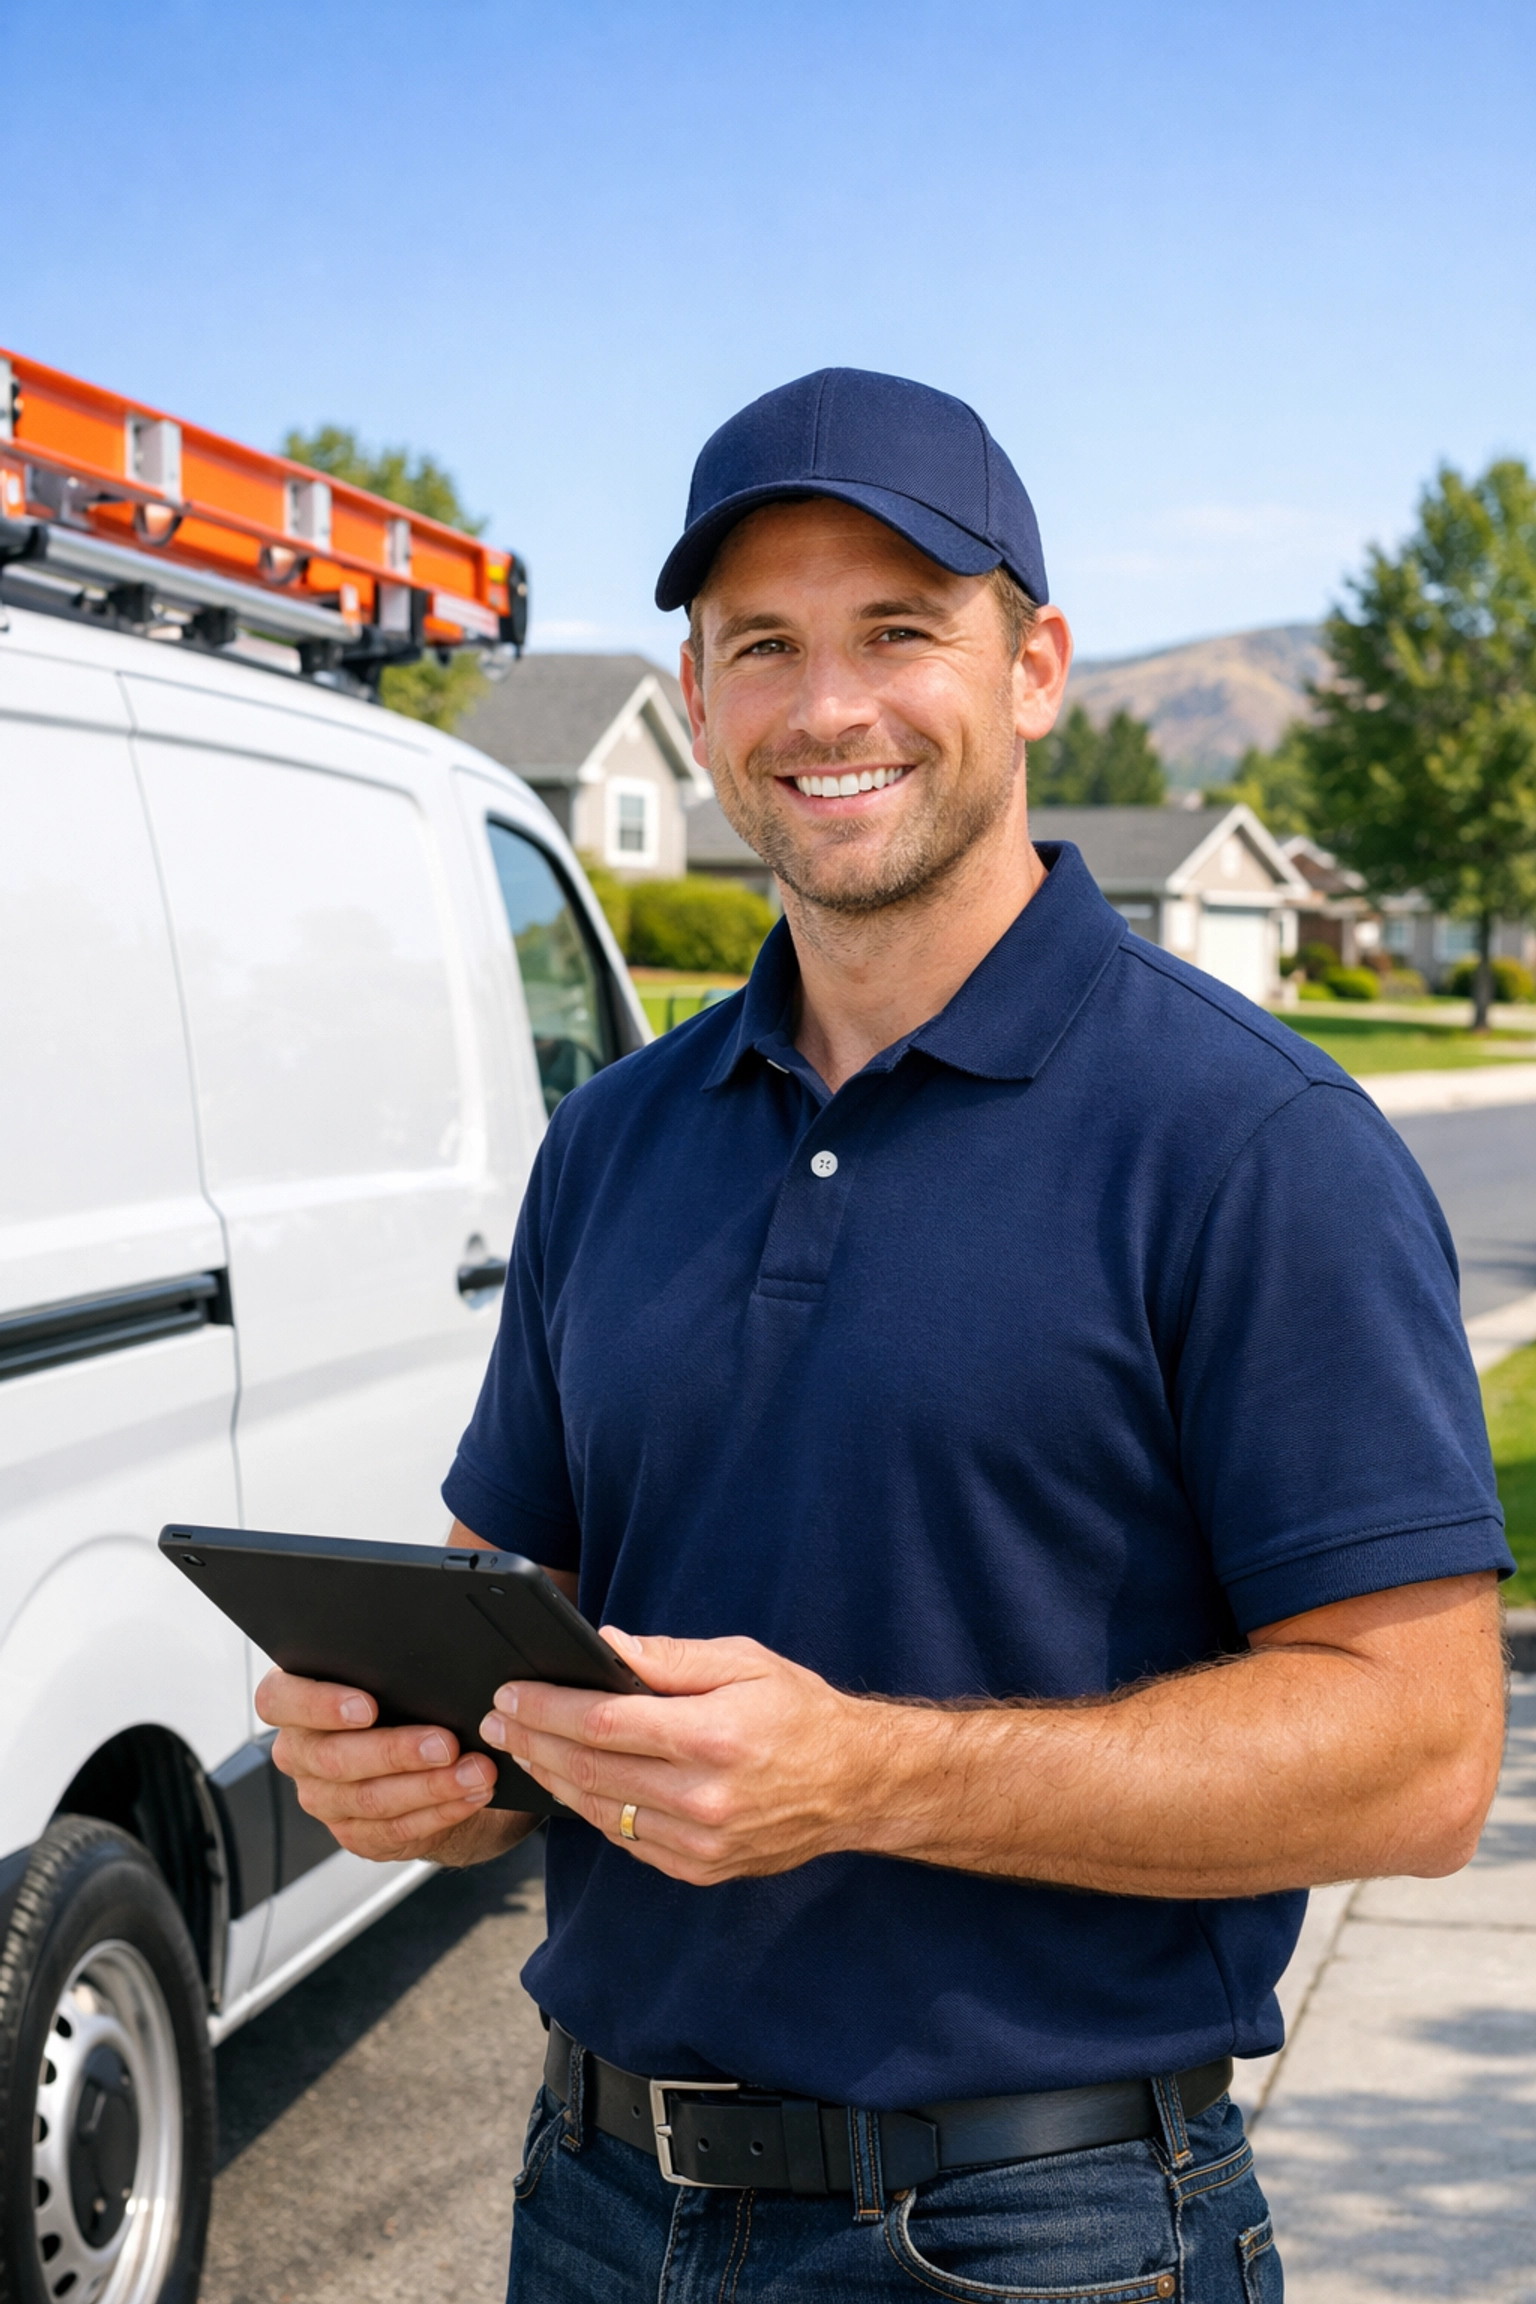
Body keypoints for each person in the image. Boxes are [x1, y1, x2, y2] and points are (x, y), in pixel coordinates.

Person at [260, 369, 1512, 2301]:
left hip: (1038, 2231)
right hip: (591, 2200)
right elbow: (520, 1600)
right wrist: (414, 1763)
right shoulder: (613, 1140)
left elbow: (1422, 1761)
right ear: (696, 704)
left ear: (1034, 669)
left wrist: (869, 1775)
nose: (827, 706)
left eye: (900, 631)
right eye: (763, 643)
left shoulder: (1258, 1145)